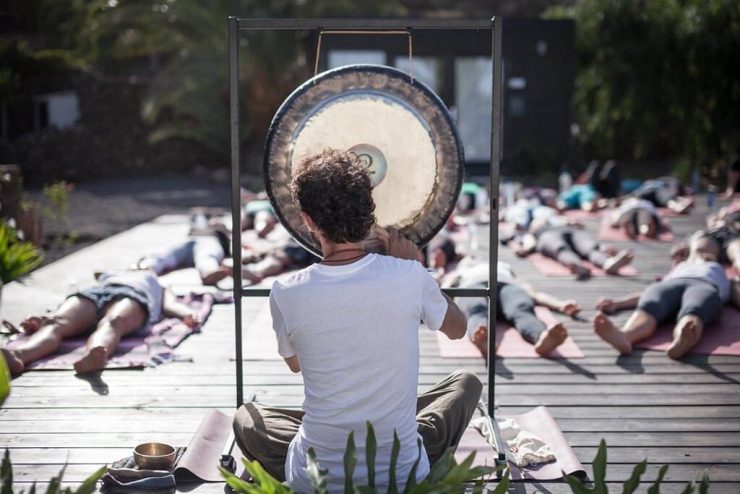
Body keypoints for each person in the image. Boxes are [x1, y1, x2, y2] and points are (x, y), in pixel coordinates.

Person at [232, 149, 481, 492]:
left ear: (307, 219)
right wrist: (417, 269)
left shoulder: (285, 291)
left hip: (317, 478)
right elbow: (458, 328)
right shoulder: (408, 275)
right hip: (400, 473)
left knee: (248, 418)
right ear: (369, 211)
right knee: (465, 385)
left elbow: (297, 364)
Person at [1, 269, 199, 375]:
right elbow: (96, 276)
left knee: (114, 321)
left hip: (135, 296)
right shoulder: (111, 274)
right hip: (96, 293)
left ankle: (94, 355)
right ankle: (19, 356)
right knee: (56, 322)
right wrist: (41, 320)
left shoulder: (159, 283)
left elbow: (171, 303)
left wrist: (187, 313)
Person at [593, 233, 740, 359]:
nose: (703, 255)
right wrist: (617, 303)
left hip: (704, 285)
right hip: (671, 284)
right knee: (651, 303)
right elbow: (645, 295)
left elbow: (736, 293)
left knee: (695, 308)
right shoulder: (680, 267)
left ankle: (682, 339)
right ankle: (625, 336)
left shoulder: (724, 274)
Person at [444, 260, 581, 357]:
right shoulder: (463, 270)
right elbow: (444, 290)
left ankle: (541, 337)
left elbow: (532, 293)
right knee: (476, 309)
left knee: (521, 308)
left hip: (506, 286)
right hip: (473, 286)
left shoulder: (504, 267)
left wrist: (560, 305)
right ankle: (484, 341)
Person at [505, 218, 633, 279]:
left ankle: (607, 263)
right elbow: (529, 243)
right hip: (548, 236)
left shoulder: (560, 222)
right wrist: (525, 249)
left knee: (590, 248)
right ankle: (576, 265)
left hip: (571, 232)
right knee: (561, 249)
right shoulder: (533, 233)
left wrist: (604, 248)